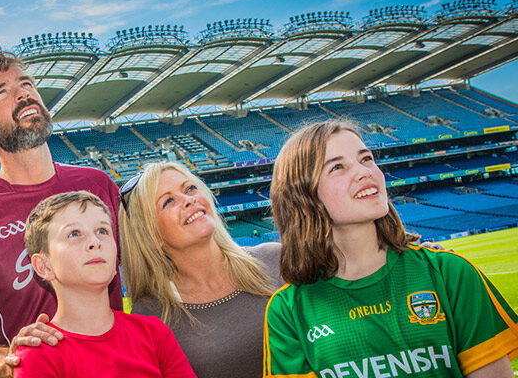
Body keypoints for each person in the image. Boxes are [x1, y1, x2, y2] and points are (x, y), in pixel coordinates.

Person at [0, 51, 123, 378]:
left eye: (26, 83)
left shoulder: (97, 185)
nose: (23, 93)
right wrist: (13, 360)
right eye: (2, 92)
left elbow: (149, 278)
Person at [264, 120, 518, 378]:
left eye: (366, 159)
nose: (365, 172)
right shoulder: (288, 311)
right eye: (337, 167)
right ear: (304, 196)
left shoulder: (449, 273)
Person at [119, 161, 282, 378]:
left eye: (190, 188)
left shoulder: (277, 260)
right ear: (151, 236)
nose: (189, 200)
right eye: (168, 201)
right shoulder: (149, 316)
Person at [13, 191, 196, 378]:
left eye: (102, 231)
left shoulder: (154, 333)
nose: (95, 242)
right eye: (74, 234)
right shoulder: (38, 354)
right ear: (43, 266)